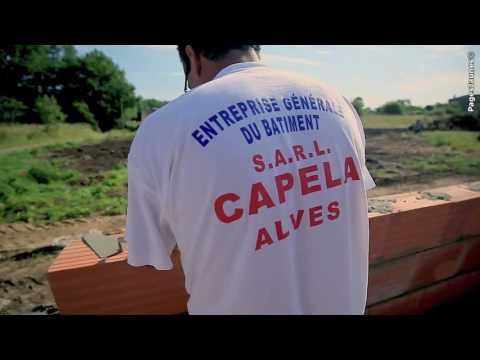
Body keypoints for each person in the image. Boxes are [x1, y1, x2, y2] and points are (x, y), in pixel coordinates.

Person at [126, 45, 376, 315]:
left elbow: (150, 253)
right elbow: (343, 195)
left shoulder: (163, 128)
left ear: (192, 56)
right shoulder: (337, 102)